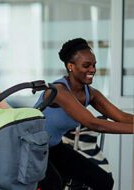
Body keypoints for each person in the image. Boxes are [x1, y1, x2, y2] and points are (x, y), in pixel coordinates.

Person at [36, 38, 133, 190]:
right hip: (31, 148)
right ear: (70, 66)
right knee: (54, 184)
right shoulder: (58, 91)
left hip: (54, 147)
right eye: (86, 65)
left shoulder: (90, 94)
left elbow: (121, 117)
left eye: (94, 65)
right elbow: (94, 123)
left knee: (103, 181)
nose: (92, 69)